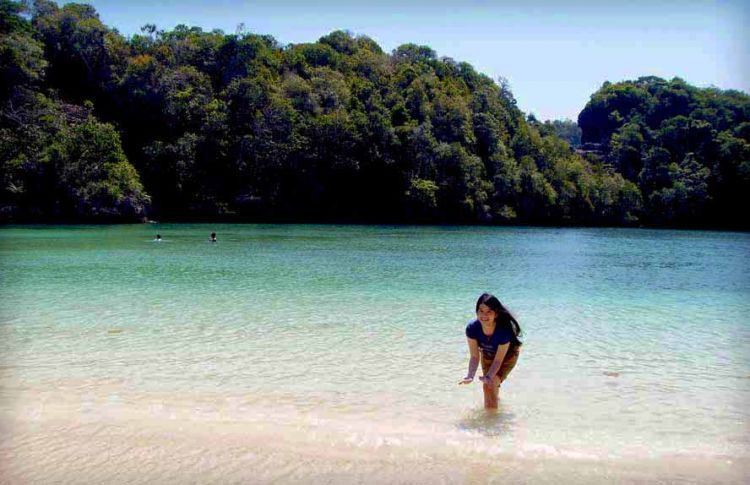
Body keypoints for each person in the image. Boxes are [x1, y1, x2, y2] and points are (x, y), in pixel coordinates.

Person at [459, 293, 522, 409]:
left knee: (489, 384)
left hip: (507, 357)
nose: (484, 315)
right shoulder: (472, 328)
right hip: (487, 354)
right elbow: (474, 356)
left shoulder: (503, 331)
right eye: (481, 311)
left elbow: (498, 360)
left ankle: (491, 421)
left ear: (496, 314)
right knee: (490, 387)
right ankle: (493, 417)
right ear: (476, 311)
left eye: (489, 312)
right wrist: (470, 375)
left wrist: (488, 377)